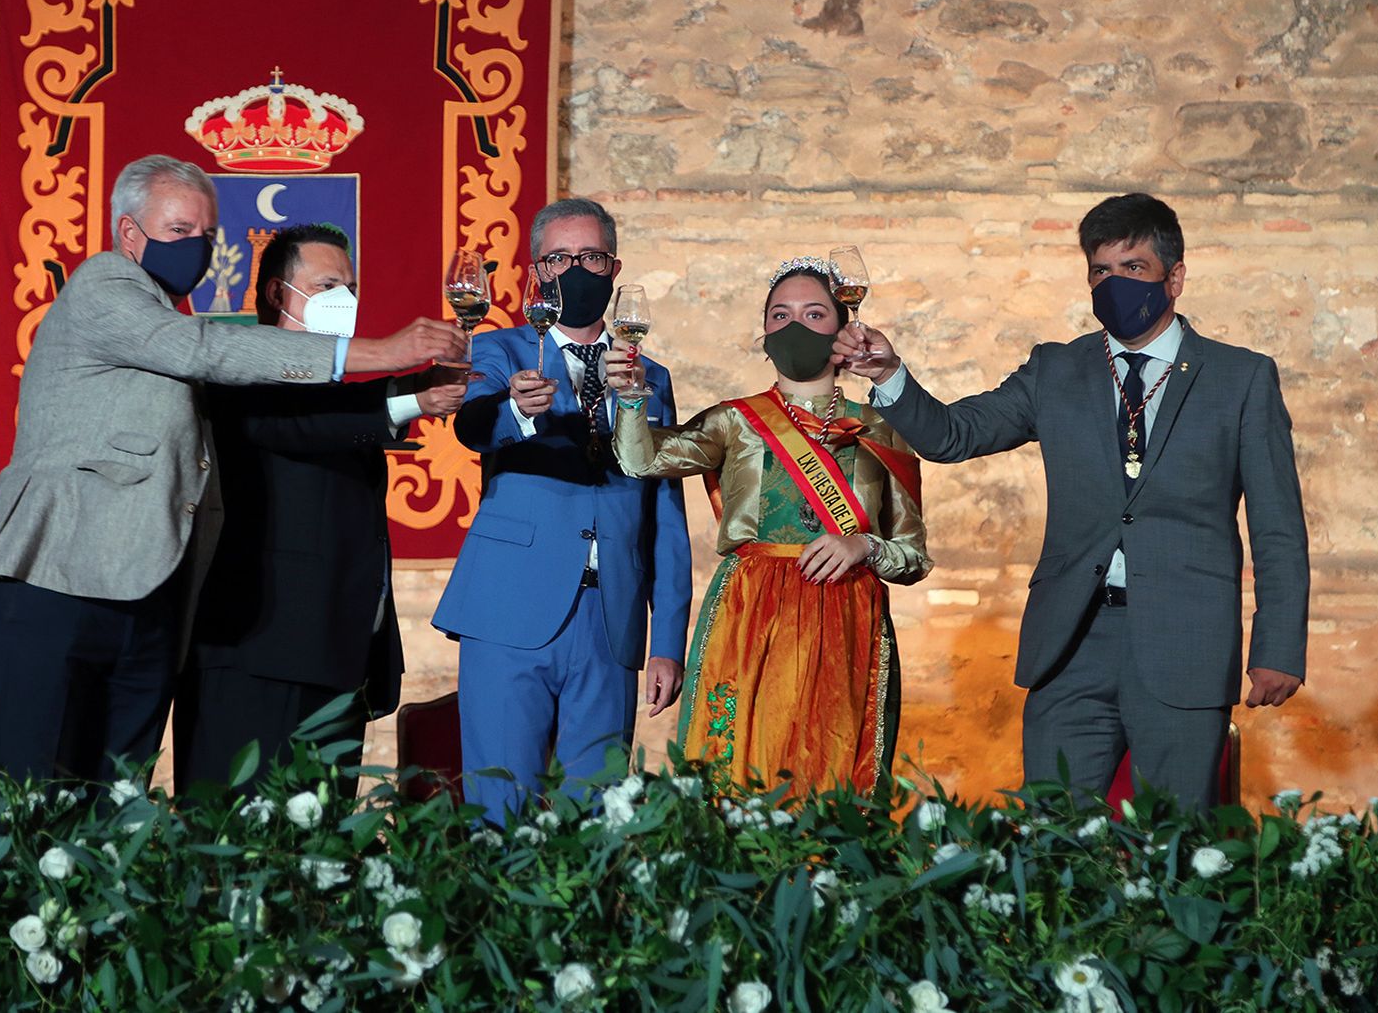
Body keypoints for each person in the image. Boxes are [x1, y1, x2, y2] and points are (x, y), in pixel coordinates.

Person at [0, 155, 465, 795]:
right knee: (29, 801)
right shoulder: (104, 287)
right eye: (178, 231)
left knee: (115, 807)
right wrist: (381, 355)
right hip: (55, 579)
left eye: (206, 236)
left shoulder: (173, 329)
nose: (196, 248)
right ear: (128, 233)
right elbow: (209, 350)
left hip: (148, 597)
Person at [835, 193, 1308, 812]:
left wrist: (1277, 648)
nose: (1113, 283)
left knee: (1177, 846)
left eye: (1132, 268)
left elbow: (1278, 527)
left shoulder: (1240, 377)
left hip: (1185, 640)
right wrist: (889, 373)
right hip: (1072, 642)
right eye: (1100, 271)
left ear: (1176, 278)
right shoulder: (1056, 370)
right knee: (1054, 843)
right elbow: (953, 435)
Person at [611, 258, 930, 799]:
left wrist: (864, 545)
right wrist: (631, 398)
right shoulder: (733, 421)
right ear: (764, 334)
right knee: (734, 775)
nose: (795, 327)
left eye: (813, 313)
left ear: (843, 329)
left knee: (832, 781)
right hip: (749, 614)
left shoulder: (882, 429)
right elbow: (642, 462)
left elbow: (914, 556)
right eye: (780, 315)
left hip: (847, 618)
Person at [174, 223, 466, 794]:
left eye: (351, 287)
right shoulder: (237, 367)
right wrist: (415, 398)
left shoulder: (336, 391)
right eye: (328, 284)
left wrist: (424, 393)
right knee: (233, 845)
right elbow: (300, 421)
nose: (345, 300)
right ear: (280, 294)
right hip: (256, 654)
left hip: (340, 657)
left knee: (321, 857)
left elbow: (337, 410)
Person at [432, 198, 693, 824]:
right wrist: (520, 412)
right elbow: (474, 425)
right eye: (559, 259)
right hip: (509, 607)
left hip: (611, 616)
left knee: (599, 814)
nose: (575, 270)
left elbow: (666, 512)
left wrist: (668, 641)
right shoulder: (503, 351)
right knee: (500, 807)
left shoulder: (648, 375)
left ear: (614, 267)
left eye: (591, 257)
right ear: (537, 272)